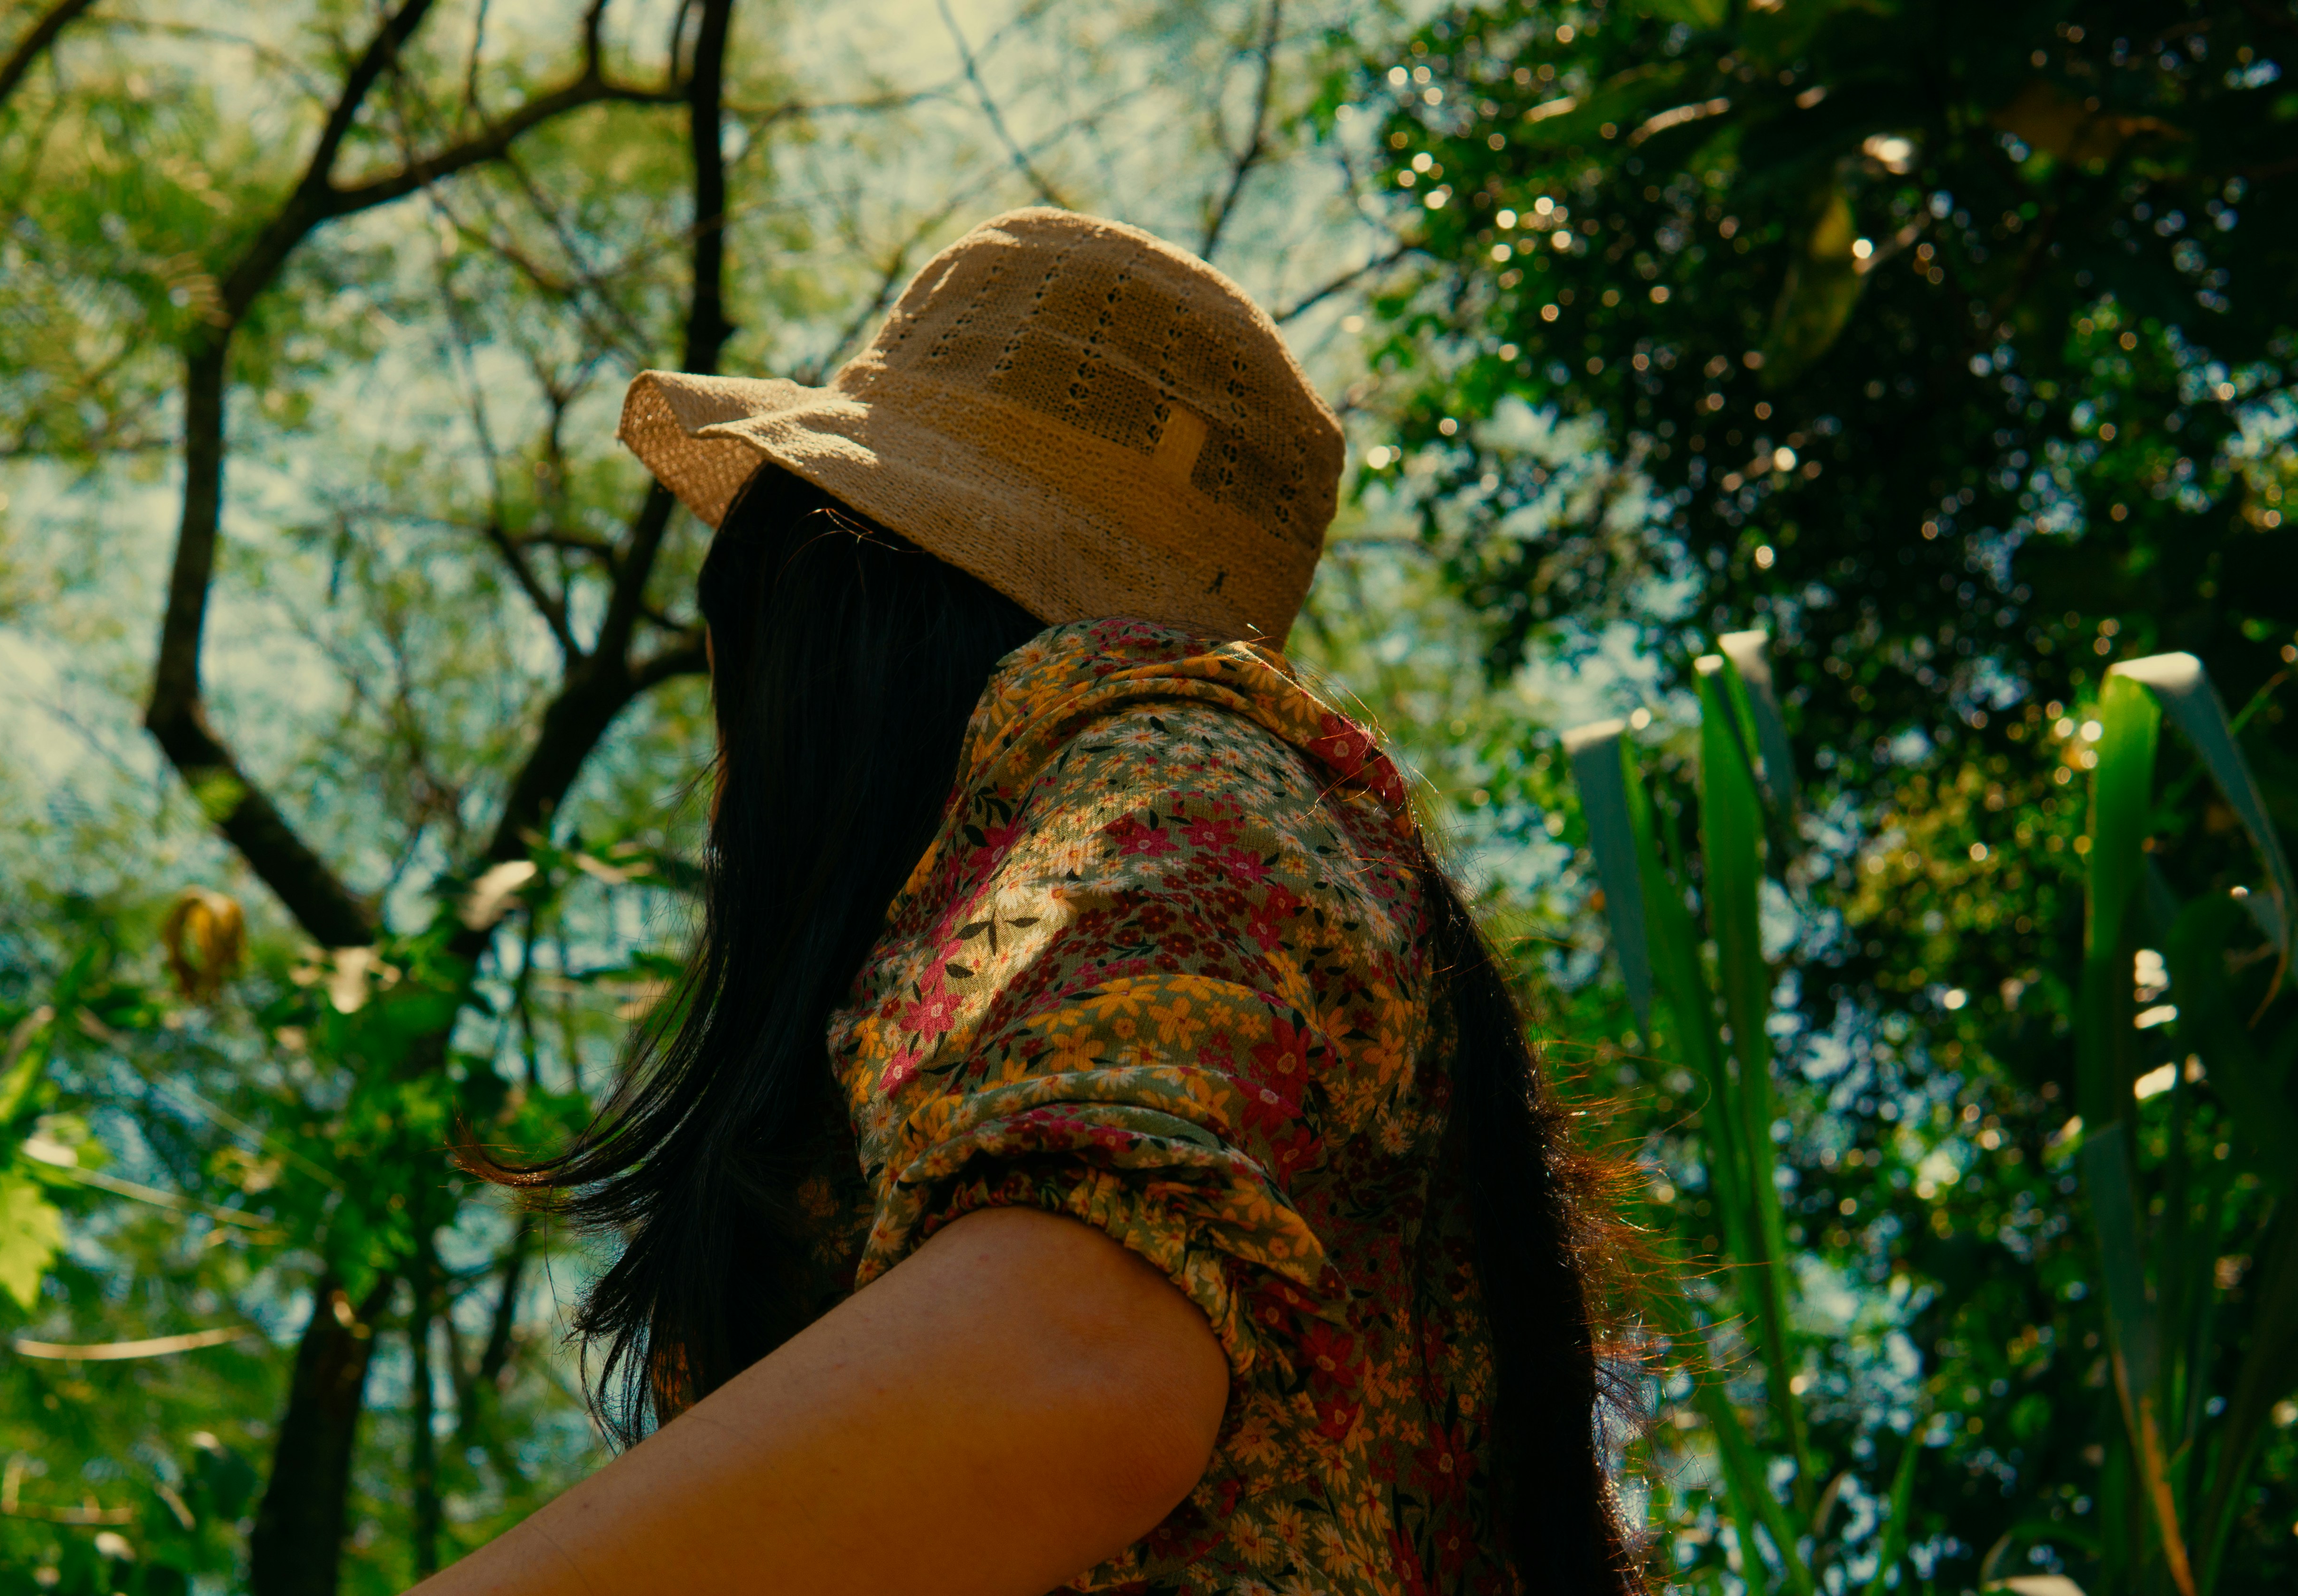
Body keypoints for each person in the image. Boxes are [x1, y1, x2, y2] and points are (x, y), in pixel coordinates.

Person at [439, 208, 1635, 1596]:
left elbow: (1078, 1360)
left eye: (740, 626)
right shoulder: (1175, 845)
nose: (728, 761)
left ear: (844, 602)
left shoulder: (1174, 764)